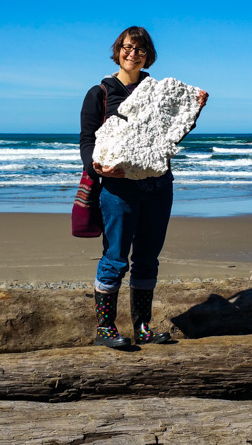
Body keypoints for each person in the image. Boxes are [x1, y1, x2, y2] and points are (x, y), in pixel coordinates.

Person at [79, 26, 208, 349]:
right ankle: (105, 328)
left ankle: (142, 327)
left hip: (159, 185)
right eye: (127, 47)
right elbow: (86, 141)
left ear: (148, 55)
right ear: (117, 50)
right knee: (115, 258)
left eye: (139, 49)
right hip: (119, 189)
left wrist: (195, 111)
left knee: (148, 258)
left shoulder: (158, 92)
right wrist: (96, 167)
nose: (132, 54)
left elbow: (169, 137)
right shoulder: (101, 92)